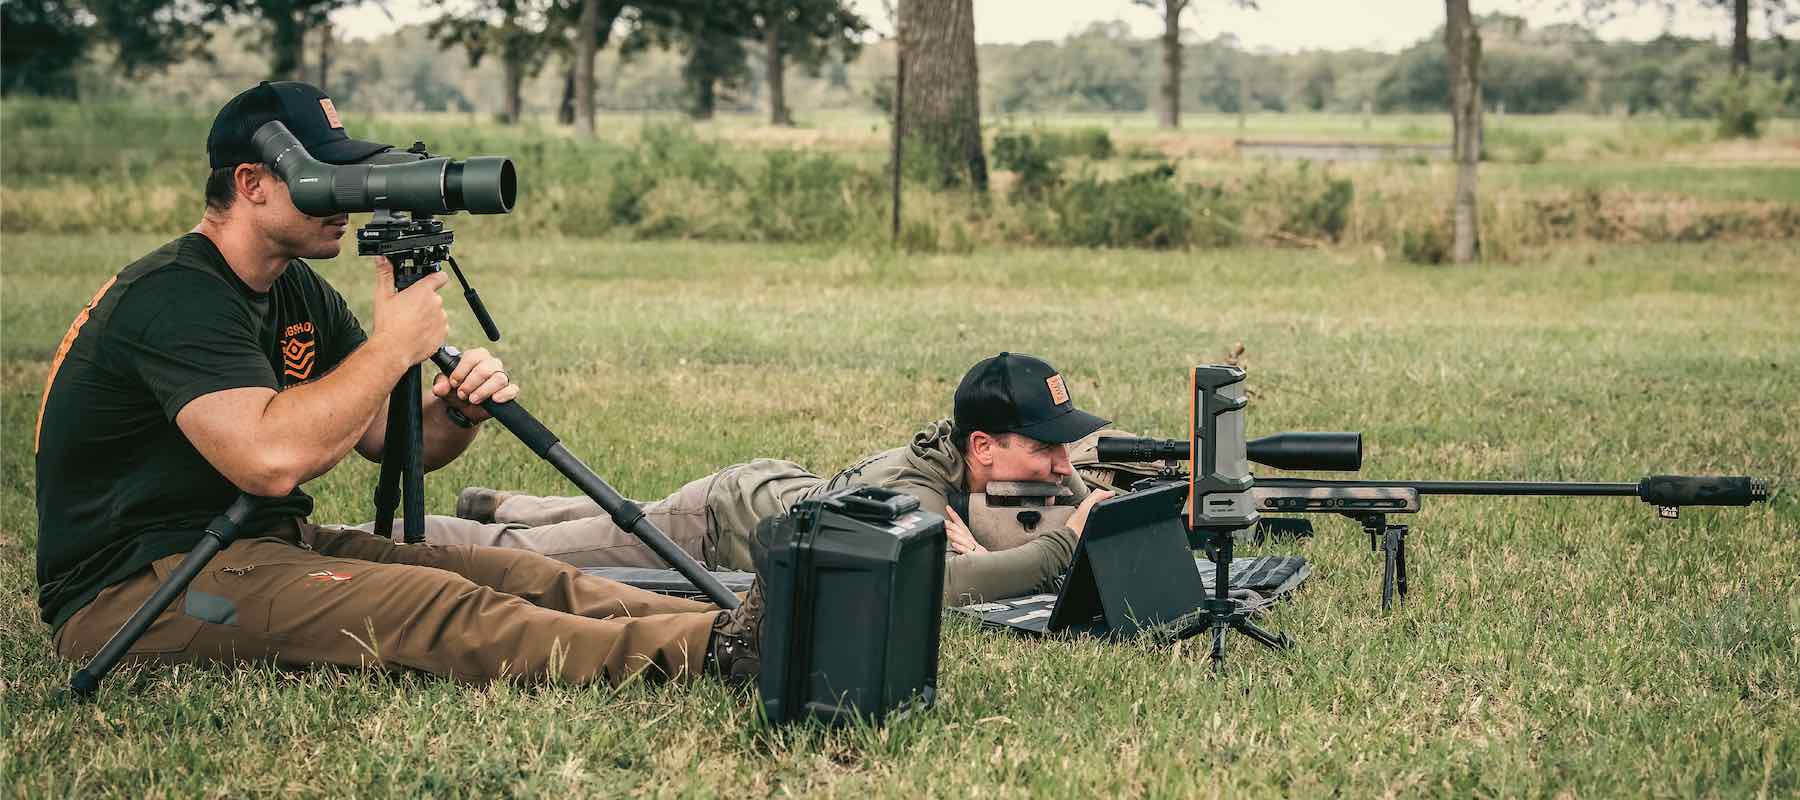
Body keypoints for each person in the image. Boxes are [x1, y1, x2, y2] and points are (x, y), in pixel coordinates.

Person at [35, 81, 764, 687]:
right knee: (433, 606)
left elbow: (386, 433)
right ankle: (717, 660)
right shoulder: (173, 295)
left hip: (262, 546)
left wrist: (453, 410)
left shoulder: (295, 289)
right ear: (251, 184)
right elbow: (268, 458)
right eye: (325, 178)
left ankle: (732, 624)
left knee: (509, 572)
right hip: (142, 593)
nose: (347, 200)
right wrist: (391, 346)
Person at [430, 353, 1126, 605]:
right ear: (984, 445)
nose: (1064, 467)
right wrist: (1062, 546)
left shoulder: (966, 464)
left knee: (605, 517)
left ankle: (495, 499)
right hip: (710, 530)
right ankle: (383, 536)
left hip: (767, 489)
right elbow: (927, 588)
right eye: (1047, 450)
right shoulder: (906, 493)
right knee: (523, 554)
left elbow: (1075, 489)